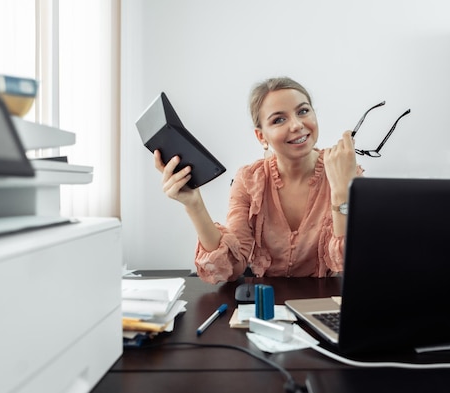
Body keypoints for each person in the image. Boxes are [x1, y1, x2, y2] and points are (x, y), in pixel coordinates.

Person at [154, 77, 363, 283]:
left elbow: (353, 265)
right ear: (261, 137)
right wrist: (194, 204)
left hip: (323, 304)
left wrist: (340, 191)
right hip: (264, 302)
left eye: (303, 111)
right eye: (279, 119)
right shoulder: (248, 180)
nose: (297, 125)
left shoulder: (346, 172)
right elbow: (230, 268)